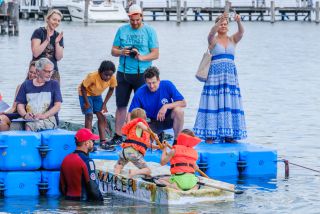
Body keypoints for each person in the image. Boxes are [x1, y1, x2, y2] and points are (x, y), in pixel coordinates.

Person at [109, 4, 159, 146]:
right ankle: (118, 135)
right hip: (123, 73)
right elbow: (113, 51)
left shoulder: (149, 31)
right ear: (129, 18)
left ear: (141, 16)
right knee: (121, 105)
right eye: (133, 20)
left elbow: (156, 53)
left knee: (142, 109)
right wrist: (121, 52)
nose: (135, 23)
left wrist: (141, 57)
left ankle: (140, 137)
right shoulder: (122, 30)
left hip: (142, 74)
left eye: (138, 20)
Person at [193, 13, 247, 143]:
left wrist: (238, 21)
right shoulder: (213, 39)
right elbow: (211, 32)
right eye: (221, 24)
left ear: (228, 26)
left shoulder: (232, 39)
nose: (223, 26)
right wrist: (218, 22)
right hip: (214, 77)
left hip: (229, 78)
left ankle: (229, 135)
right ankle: (210, 135)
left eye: (225, 24)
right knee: (213, 102)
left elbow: (241, 32)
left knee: (229, 102)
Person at [128, 66, 186, 143]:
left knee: (179, 111)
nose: (151, 86)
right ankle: (159, 134)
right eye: (149, 83)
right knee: (144, 142)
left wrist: (166, 106)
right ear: (145, 82)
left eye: (154, 82)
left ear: (158, 80)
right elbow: (130, 113)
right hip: (153, 122)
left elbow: (183, 103)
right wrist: (129, 130)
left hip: (168, 119)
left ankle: (176, 141)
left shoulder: (167, 85)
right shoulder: (140, 92)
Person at [78, 60, 117, 150]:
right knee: (89, 115)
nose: (107, 77)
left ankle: (102, 141)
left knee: (102, 117)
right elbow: (83, 88)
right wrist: (87, 103)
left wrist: (104, 104)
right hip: (85, 94)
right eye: (105, 74)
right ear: (100, 72)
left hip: (97, 95)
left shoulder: (112, 78)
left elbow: (111, 90)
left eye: (110, 75)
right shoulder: (92, 76)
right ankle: (88, 141)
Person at [15, 57, 62, 131]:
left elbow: (57, 106)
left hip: (48, 119)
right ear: (37, 71)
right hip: (29, 118)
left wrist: (44, 116)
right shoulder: (26, 84)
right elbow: (20, 105)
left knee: (30, 126)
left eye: (51, 71)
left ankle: (31, 142)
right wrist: (25, 115)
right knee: (14, 126)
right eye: (46, 71)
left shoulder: (54, 84)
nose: (49, 74)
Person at [114, 108, 160, 178]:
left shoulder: (132, 127)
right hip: (133, 153)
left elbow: (146, 144)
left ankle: (116, 174)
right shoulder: (139, 124)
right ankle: (134, 172)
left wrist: (158, 147)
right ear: (144, 118)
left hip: (124, 152)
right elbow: (140, 123)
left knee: (119, 165)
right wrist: (152, 133)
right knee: (148, 171)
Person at [59, 128, 103, 201]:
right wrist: (101, 204)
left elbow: (62, 187)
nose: (93, 144)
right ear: (87, 143)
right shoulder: (88, 161)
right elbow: (93, 189)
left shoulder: (66, 159)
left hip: (68, 202)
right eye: (92, 141)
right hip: (83, 203)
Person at [0, 61, 37, 131]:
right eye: (31, 72)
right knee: (1, 119)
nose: (32, 75)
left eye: (34, 73)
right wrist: (5, 113)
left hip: (31, 115)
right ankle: (5, 138)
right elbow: (14, 108)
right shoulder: (20, 86)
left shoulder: (41, 89)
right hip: (18, 114)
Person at [31, 9, 64, 82]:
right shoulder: (39, 32)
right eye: (54, 19)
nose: (56, 22)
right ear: (48, 19)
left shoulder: (58, 36)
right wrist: (47, 41)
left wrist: (57, 43)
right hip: (37, 72)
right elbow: (35, 53)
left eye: (59, 21)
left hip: (52, 72)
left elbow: (58, 58)